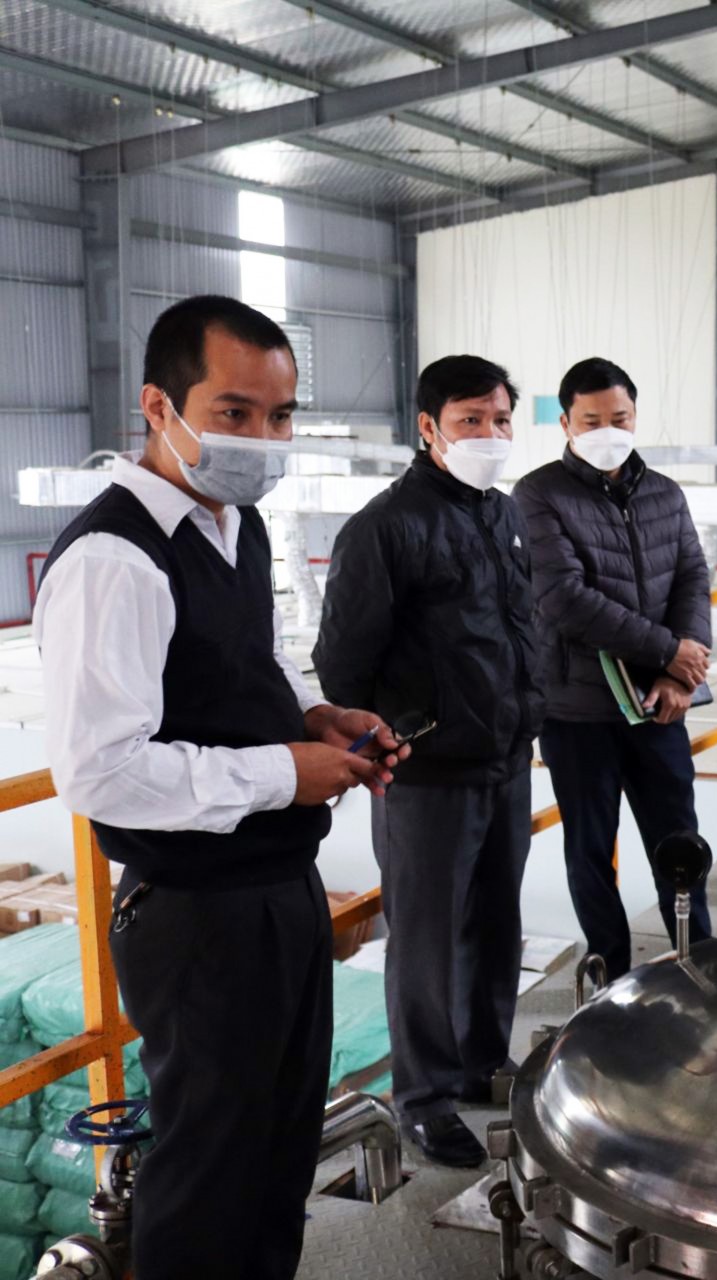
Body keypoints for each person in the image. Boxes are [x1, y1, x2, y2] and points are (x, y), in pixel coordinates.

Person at [34, 295, 404, 1280]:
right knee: (208, 1178)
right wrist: (289, 771)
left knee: (278, 1160)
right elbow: (101, 769)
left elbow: (232, 681)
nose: (263, 439)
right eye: (235, 412)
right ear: (160, 405)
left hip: (275, 892)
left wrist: (311, 722)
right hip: (197, 917)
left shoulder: (234, 526)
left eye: (281, 417)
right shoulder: (115, 556)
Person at [313, 355, 542, 1169]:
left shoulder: (504, 514)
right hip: (428, 775)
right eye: (471, 419)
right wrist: (408, 734)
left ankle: (485, 1062)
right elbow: (342, 665)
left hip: (506, 761)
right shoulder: (386, 527)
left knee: (496, 922)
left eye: (501, 419)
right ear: (429, 427)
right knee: (426, 938)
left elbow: (518, 631)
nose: (490, 434)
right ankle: (424, 1096)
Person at [516, 356, 712, 976]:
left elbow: (692, 578)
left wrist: (678, 672)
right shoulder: (538, 493)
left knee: (678, 842)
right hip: (577, 711)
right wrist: (666, 650)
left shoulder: (664, 493)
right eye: (592, 419)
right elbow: (563, 598)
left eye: (619, 417)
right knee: (591, 849)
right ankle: (611, 976)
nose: (608, 429)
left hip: (658, 707)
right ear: (566, 424)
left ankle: (699, 962)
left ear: (636, 416)